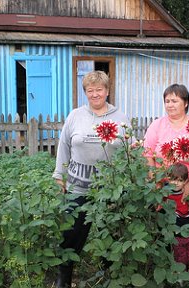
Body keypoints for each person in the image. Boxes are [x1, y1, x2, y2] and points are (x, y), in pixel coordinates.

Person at [52, 70, 132, 288]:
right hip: (78, 186)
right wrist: (60, 175)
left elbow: (130, 149)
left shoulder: (120, 118)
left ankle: (108, 275)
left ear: (107, 91)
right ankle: (64, 277)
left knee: (111, 231)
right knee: (71, 233)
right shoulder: (75, 115)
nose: (95, 94)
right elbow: (64, 147)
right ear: (85, 92)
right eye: (90, 90)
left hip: (111, 187)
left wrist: (128, 178)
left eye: (99, 89)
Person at [143, 83, 189, 201]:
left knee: (188, 218)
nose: (170, 105)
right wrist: (155, 181)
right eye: (167, 101)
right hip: (162, 188)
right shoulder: (157, 125)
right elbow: (147, 154)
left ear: (186, 103)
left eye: (174, 101)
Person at [157, 162, 189, 272]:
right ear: (168, 179)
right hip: (176, 233)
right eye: (174, 180)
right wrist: (158, 206)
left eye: (180, 180)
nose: (176, 183)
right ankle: (181, 276)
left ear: (186, 181)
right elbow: (160, 203)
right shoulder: (166, 192)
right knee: (179, 257)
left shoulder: (188, 191)